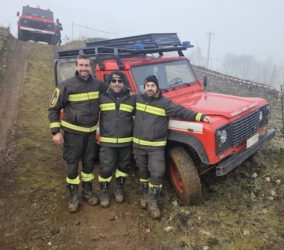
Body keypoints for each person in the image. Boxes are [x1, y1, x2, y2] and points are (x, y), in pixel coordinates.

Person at [133, 75, 211, 219]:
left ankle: (153, 201)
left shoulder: (165, 103)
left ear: (157, 87)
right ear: (144, 87)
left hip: (155, 148)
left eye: (152, 85)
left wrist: (199, 116)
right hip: (138, 147)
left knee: (157, 173)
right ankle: (145, 195)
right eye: (147, 85)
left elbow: (182, 111)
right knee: (143, 173)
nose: (150, 88)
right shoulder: (137, 99)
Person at [48, 54, 105, 213]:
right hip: (72, 134)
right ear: (76, 66)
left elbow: (113, 94)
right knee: (72, 166)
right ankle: (73, 196)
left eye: (86, 65)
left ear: (91, 67)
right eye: (81, 65)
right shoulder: (65, 85)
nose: (83, 68)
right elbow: (53, 109)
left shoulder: (98, 84)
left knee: (88, 165)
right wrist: (55, 132)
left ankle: (87, 193)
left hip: (91, 135)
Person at [98, 71, 136, 207]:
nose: (117, 84)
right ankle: (103, 191)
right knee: (106, 169)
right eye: (113, 81)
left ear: (123, 83)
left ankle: (119, 189)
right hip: (108, 142)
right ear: (110, 83)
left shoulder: (132, 98)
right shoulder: (101, 97)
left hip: (126, 142)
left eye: (120, 81)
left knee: (123, 167)